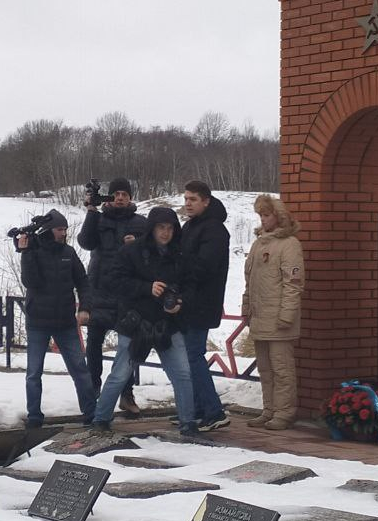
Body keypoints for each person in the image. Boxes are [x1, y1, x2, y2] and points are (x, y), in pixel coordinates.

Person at [91, 206, 200, 438]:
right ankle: (100, 419)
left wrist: (180, 302)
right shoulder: (132, 251)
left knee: (182, 374)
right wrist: (146, 288)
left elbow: (192, 285)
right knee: (120, 374)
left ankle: (188, 422)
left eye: (170, 228)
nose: (165, 233)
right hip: (136, 322)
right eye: (161, 227)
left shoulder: (180, 254)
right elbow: (113, 280)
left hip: (168, 323)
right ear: (152, 228)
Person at [17, 209, 95, 427]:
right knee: (34, 373)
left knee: (80, 369)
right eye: (60, 229)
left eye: (65, 229)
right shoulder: (33, 251)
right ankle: (34, 417)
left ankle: (91, 413)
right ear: (49, 231)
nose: (63, 233)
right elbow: (30, 282)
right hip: (38, 322)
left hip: (65, 322)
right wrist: (26, 253)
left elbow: (83, 282)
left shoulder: (68, 253)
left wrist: (85, 307)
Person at [77, 178, 146, 415]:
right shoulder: (99, 218)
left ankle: (126, 394)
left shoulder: (140, 223)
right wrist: (91, 211)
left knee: (127, 348)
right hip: (100, 290)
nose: (119, 198)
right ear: (109, 197)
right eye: (116, 194)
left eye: (124, 194)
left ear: (130, 197)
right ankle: (93, 390)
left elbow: (150, 253)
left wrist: (136, 245)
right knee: (94, 344)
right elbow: (85, 242)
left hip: (127, 293)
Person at [240, 195, 304, 431]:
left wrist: (286, 314)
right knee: (265, 368)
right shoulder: (258, 244)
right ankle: (268, 409)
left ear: (279, 217)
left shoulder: (289, 244)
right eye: (261, 216)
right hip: (259, 317)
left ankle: (284, 412)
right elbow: (249, 280)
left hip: (279, 319)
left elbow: (293, 283)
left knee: (282, 369)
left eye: (267, 215)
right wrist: (246, 307)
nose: (263, 220)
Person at [178, 180, 231, 430]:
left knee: (193, 356)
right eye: (186, 199)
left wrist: (179, 271)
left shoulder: (214, 230)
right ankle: (199, 408)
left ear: (206, 201)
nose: (188, 204)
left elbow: (204, 267)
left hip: (201, 303)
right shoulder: (191, 227)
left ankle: (213, 410)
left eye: (193, 199)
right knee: (188, 357)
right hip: (188, 302)